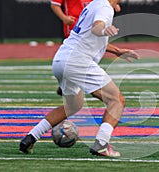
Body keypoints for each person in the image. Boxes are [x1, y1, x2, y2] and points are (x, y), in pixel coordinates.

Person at [20, 0, 140, 157]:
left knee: (73, 105)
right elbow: (97, 28)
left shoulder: (93, 5)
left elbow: (87, 34)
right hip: (77, 61)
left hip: (61, 59)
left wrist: (116, 50)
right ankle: (101, 144)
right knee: (116, 100)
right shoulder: (105, 8)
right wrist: (104, 30)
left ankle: (30, 137)